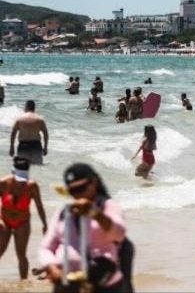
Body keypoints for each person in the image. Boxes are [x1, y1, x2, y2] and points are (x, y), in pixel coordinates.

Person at [37, 163, 128, 292]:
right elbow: (45, 248)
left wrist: (95, 213)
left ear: (94, 182)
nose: (78, 194)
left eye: (82, 188)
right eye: (73, 191)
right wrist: (51, 266)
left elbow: (119, 234)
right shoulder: (64, 211)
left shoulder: (106, 206)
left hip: (102, 283)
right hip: (66, 283)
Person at [0, 156, 47, 279]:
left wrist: (45, 224)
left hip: (22, 221)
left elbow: (39, 206)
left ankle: (23, 283)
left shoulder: (32, 186)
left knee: (21, 254)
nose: (21, 182)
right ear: (13, 172)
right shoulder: (3, 183)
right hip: (4, 220)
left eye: (23, 179)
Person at [9, 100, 49, 165]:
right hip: (36, 146)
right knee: (38, 167)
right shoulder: (39, 119)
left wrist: (12, 147)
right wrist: (45, 147)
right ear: (34, 108)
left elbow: (13, 133)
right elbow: (45, 133)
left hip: (23, 146)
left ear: (26, 107)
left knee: (22, 168)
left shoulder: (20, 119)